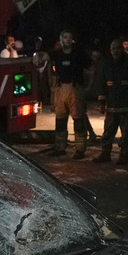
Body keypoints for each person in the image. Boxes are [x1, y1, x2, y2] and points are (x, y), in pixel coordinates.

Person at [95, 37, 128, 164]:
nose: (115, 51)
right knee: (108, 132)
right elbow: (102, 84)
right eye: (113, 49)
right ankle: (105, 153)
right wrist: (101, 102)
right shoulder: (106, 64)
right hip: (111, 105)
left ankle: (124, 156)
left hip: (126, 106)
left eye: (117, 48)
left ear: (122, 49)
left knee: (126, 133)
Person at [49, 29, 93, 158]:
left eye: (69, 37)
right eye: (65, 37)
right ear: (60, 39)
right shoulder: (56, 54)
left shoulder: (79, 54)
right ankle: (60, 148)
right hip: (61, 88)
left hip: (75, 89)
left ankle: (80, 149)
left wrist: (88, 87)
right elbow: (45, 62)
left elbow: (92, 70)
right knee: (60, 120)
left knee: (78, 120)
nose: (67, 40)